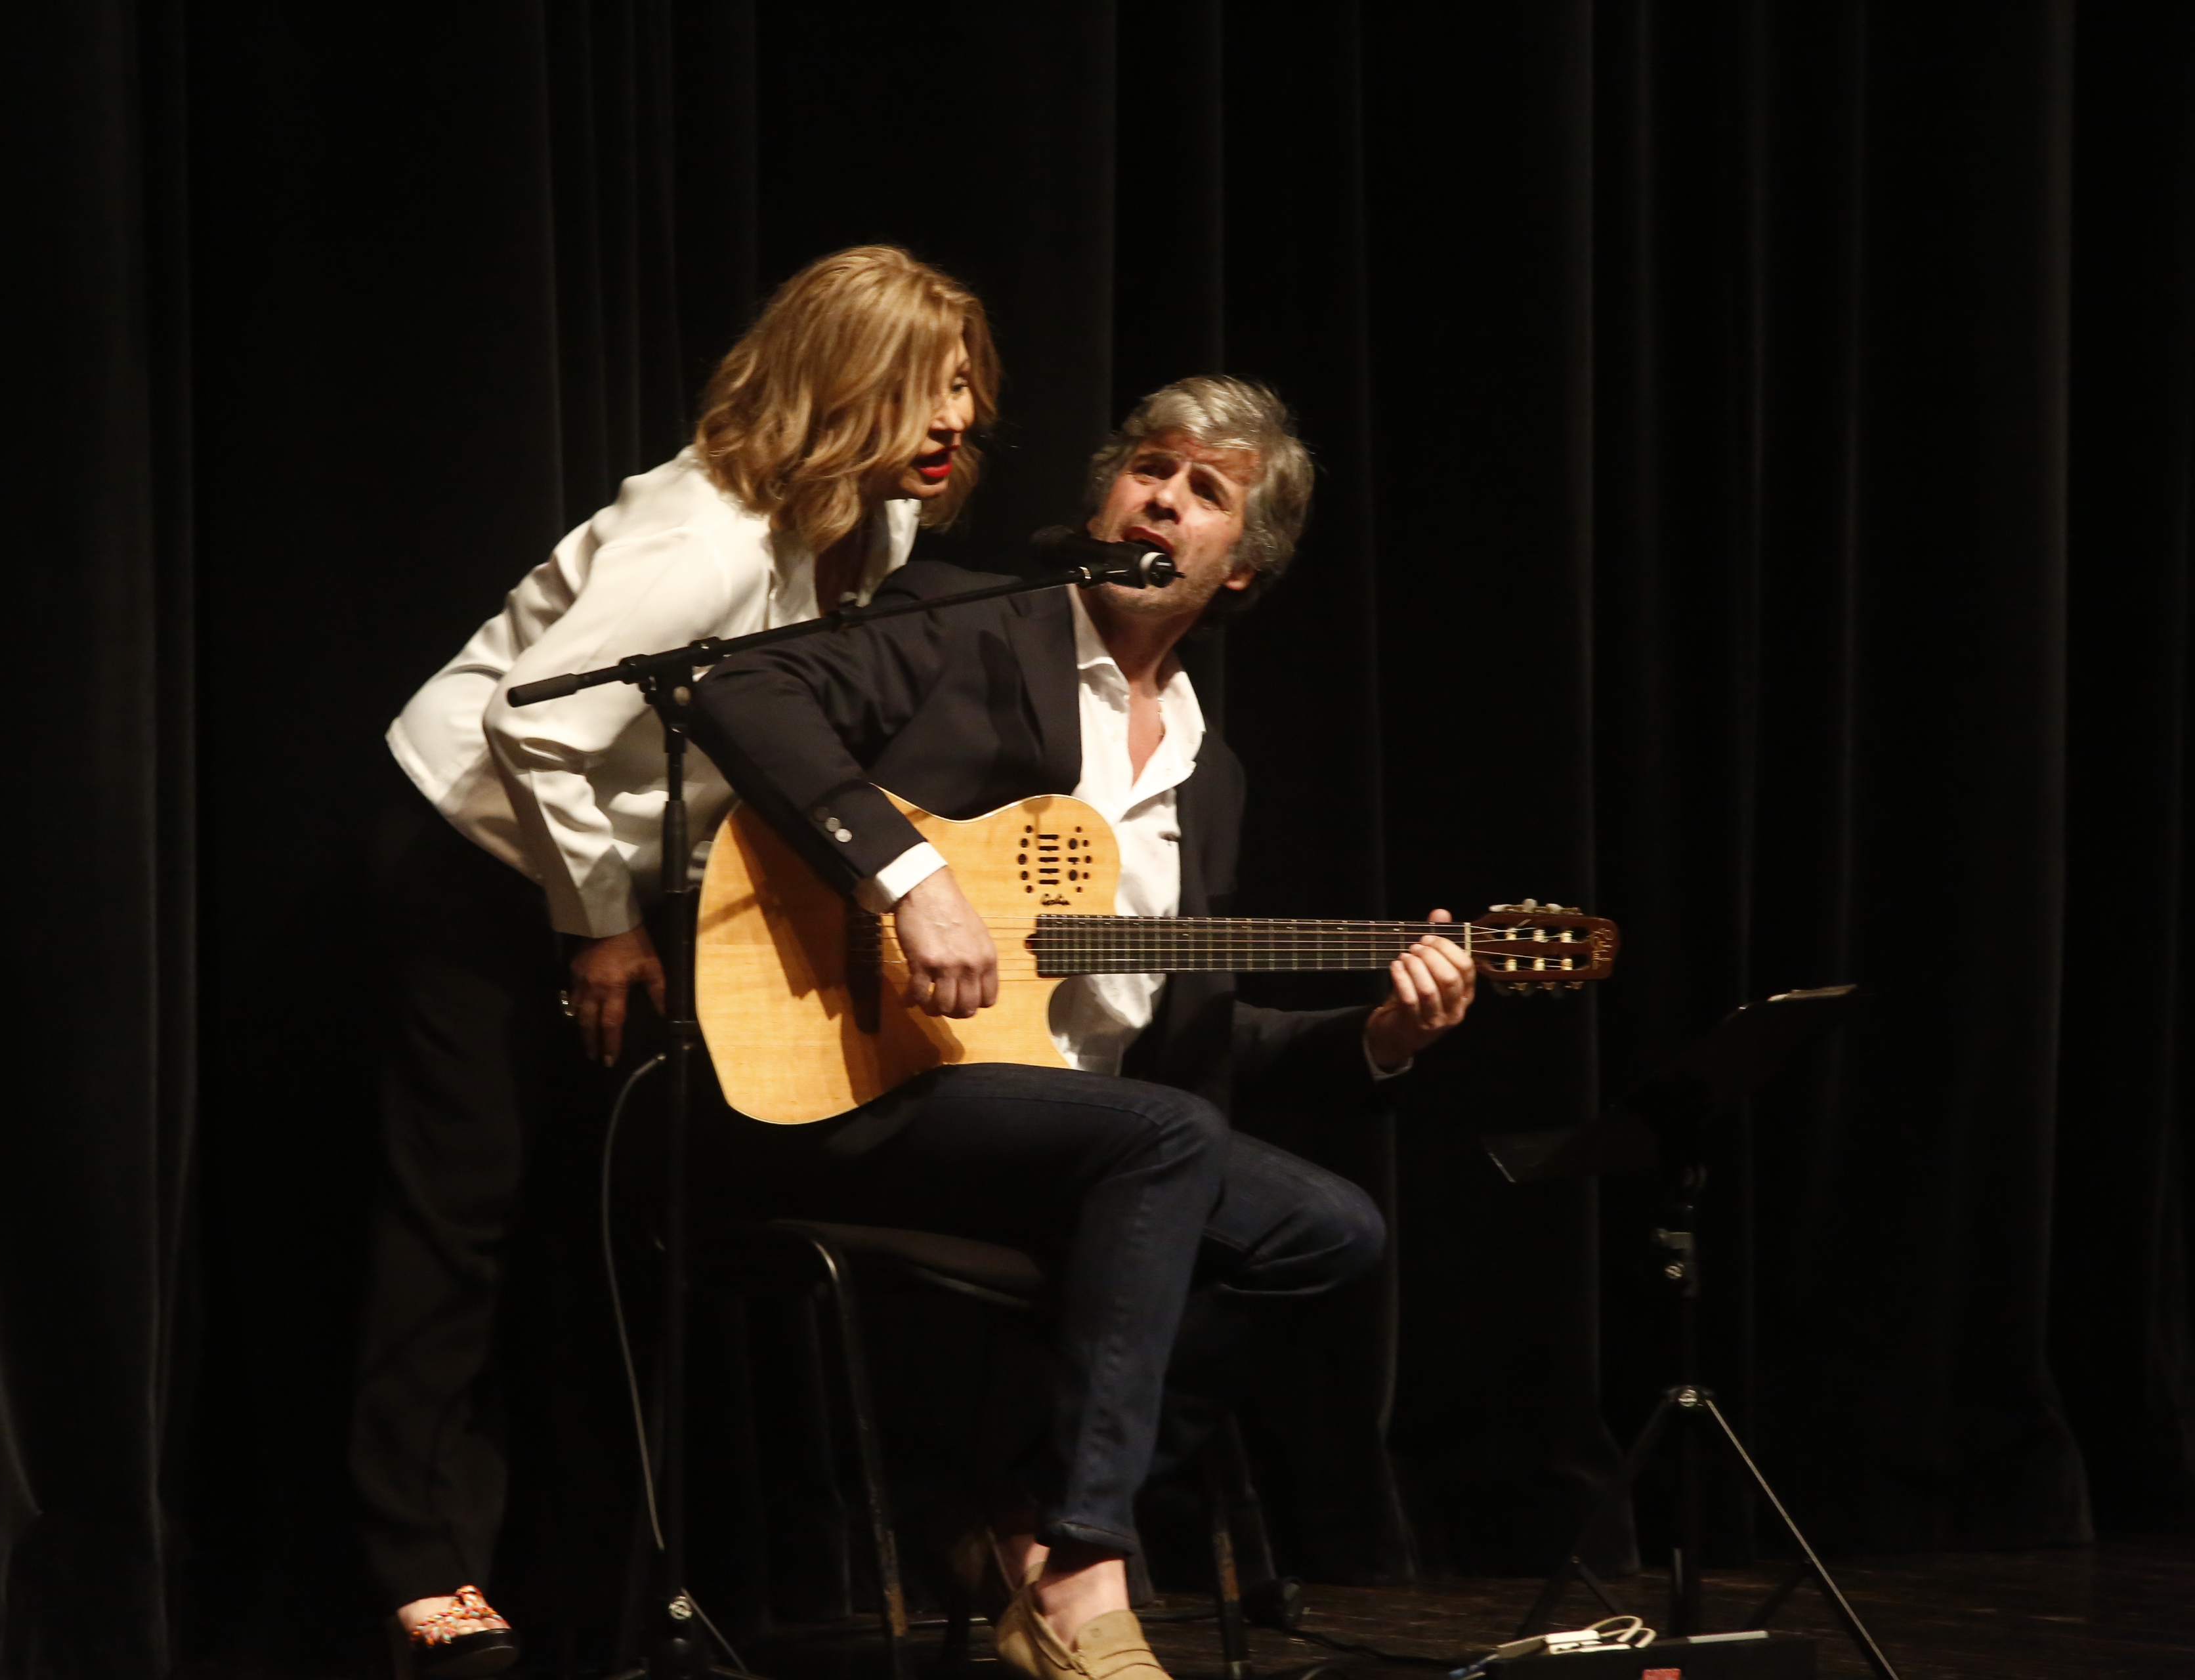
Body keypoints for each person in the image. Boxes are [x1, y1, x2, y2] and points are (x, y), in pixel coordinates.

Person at [687, 376, 1478, 1680]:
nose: (1161, 498)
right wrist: (910, 879)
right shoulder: (966, 621)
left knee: (1329, 1227)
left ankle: (1013, 1508)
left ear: (1241, 568)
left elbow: (1186, 1027)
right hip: (871, 1077)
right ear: (1107, 494)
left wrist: (1382, 1037)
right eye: (1148, 468)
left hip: (1078, 1129)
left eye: (1205, 492)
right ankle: (1083, 1570)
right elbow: (743, 689)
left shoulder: (1210, 775)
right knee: (1164, 1138)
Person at [362, 246, 1000, 1675]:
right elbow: (532, 723)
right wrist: (598, 924)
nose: (959, 415)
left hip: (604, 871)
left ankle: (584, 1577)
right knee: (459, 1212)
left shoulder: (869, 527)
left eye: (966, 382)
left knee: (598, 1219)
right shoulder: (702, 543)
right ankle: (419, 1564)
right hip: (476, 858)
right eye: (927, 383)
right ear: (843, 384)